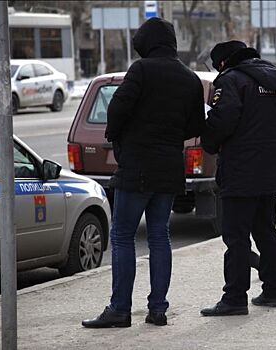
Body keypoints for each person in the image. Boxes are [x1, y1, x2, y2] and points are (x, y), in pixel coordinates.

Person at [82, 17, 205, 328]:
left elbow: (118, 108)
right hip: (168, 169)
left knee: (122, 236)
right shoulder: (190, 78)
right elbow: (195, 126)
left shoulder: (142, 70)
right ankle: (158, 309)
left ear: (147, 43)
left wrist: (117, 133)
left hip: (137, 165)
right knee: (159, 236)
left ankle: (120, 309)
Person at [200, 40, 276, 316]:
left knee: (237, 238)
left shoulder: (232, 81)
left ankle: (235, 298)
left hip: (240, 172)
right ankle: (273, 291)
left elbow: (222, 122)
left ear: (224, 62)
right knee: (266, 232)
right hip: (270, 170)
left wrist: (209, 141)